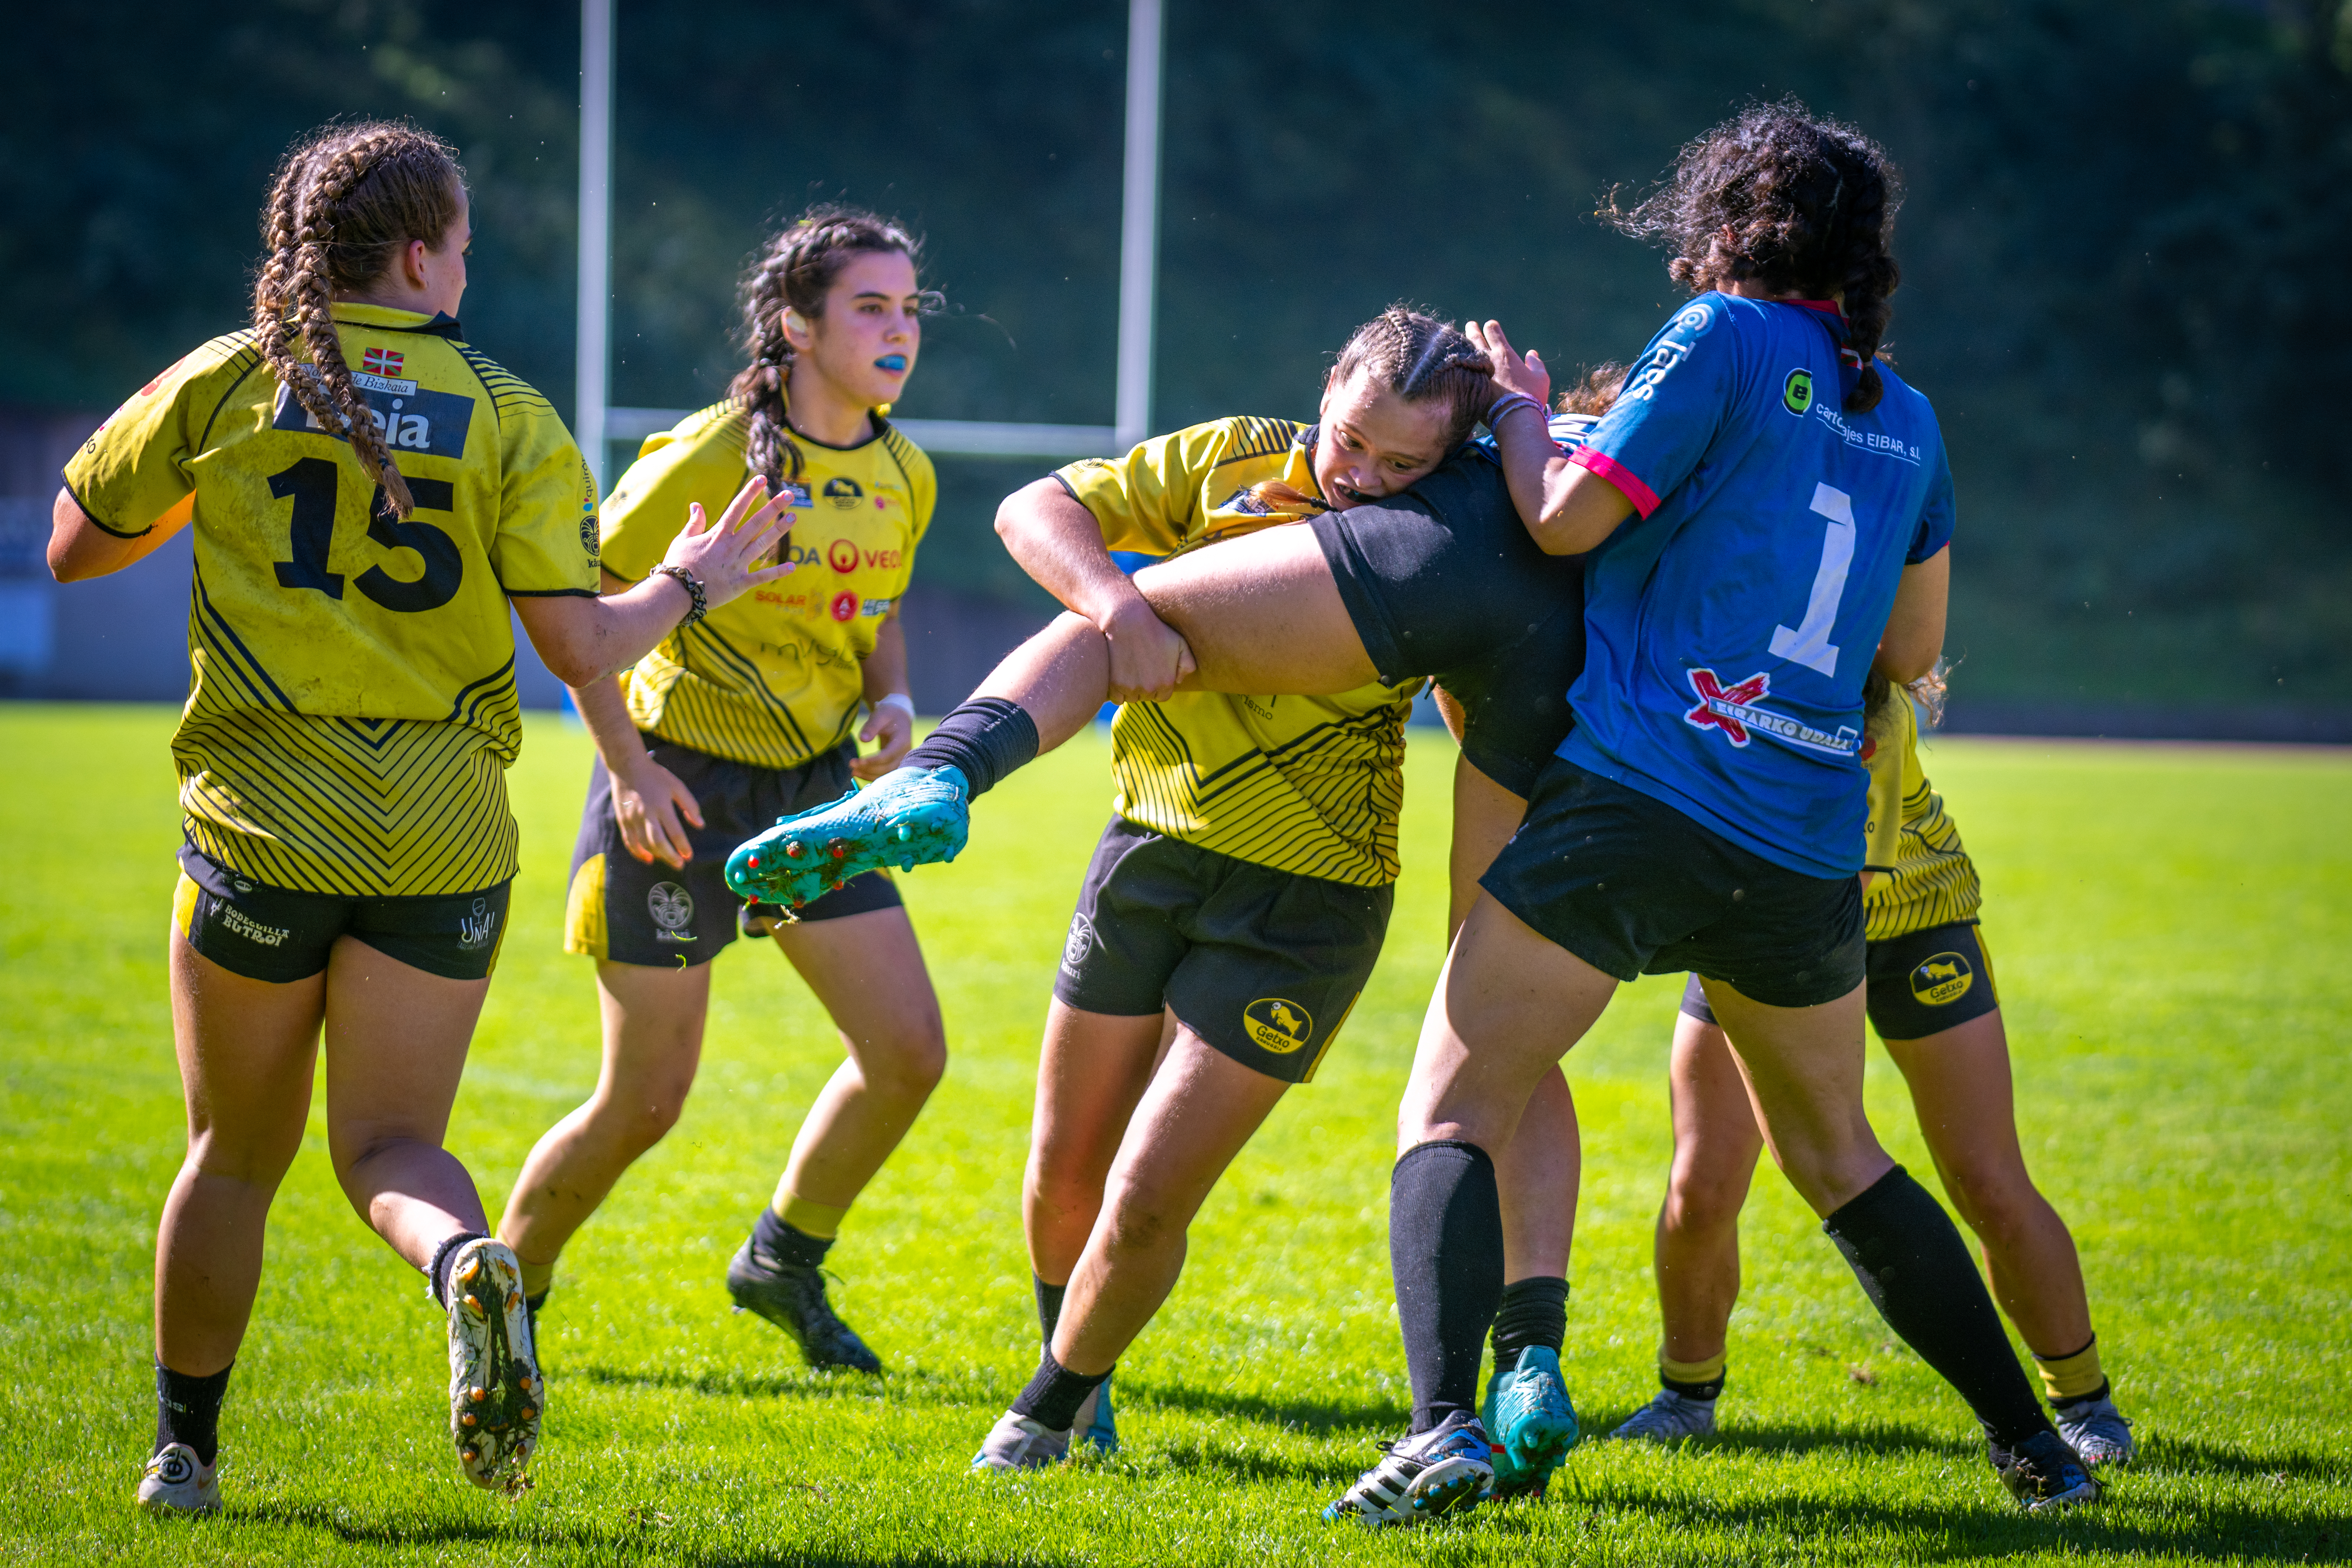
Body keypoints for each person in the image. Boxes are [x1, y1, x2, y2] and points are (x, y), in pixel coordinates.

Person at [1321, 100, 2110, 1526]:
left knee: (1450, 1092)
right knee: (1837, 1157)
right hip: (1806, 839)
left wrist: (1512, 411)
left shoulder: (1718, 340)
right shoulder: (1908, 415)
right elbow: (1907, 653)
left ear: (1728, 219)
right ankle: (2034, 1448)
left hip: (1640, 797)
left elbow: (1562, 517)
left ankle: (1441, 1431)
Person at [729, 333, 1626, 1491]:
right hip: (1146, 848)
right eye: (1349, 438)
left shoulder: (1431, 541)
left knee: (1149, 1195)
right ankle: (1086, 1382)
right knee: (1064, 1169)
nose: (1361, 474)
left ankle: (1044, 1408)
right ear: (1323, 391)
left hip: (1306, 898)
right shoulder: (1232, 459)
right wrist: (1118, 605)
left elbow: (1489, 676)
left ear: (1442, 461)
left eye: (1401, 463)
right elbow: (1031, 510)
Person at [47, 120, 789, 1514]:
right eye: (462, 244)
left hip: (263, 826)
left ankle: (184, 1456)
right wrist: (691, 584)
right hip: (442, 837)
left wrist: (207, 482)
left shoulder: (230, 379)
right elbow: (584, 645)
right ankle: (466, 1263)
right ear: (417, 253)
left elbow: (74, 551)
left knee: (231, 1156)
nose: (469, 267)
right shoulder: (509, 413)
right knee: (390, 1146)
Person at [494, 208, 944, 1374]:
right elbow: (581, 615)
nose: (899, 329)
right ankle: (506, 1297)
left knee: (907, 1051)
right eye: (869, 307)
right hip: (674, 789)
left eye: (908, 308)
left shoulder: (905, 468)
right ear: (796, 325)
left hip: (809, 795)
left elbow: (876, 613)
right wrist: (628, 772)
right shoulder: (704, 454)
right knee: (645, 1099)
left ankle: (782, 1258)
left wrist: (889, 703)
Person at [1607, 672, 2135, 1465]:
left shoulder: (1866, 697)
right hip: (1755, 922)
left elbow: (1850, 877)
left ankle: (2084, 1401)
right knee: (1702, 1181)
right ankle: (1686, 1396)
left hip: (1912, 920)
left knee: (1985, 1178)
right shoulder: (1715, 660)